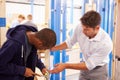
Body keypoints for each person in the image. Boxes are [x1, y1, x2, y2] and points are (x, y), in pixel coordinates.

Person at [50, 10, 113, 80]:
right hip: (84, 66)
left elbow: (88, 65)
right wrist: (53, 48)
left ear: (97, 28)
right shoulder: (80, 27)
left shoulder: (106, 43)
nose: (83, 31)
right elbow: (70, 42)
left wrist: (65, 65)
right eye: (83, 27)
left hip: (99, 70)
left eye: (86, 29)